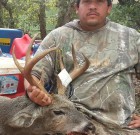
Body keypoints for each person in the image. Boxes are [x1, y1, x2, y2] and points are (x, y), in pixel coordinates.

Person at [25, 0, 140, 134]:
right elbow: (34, 74)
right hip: (71, 123)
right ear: (77, 8)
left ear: (109, 7)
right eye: (86, 2)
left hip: (121, 126)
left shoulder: (131, 38)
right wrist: (33, 91)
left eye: (99, 2)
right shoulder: (58, 37)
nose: (92, 6)